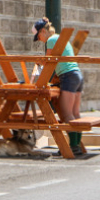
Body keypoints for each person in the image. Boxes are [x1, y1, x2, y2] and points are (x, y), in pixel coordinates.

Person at [32, 17, 84, 154]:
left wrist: (39, 61)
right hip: (76, 75)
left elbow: (50, 61)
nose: (40, 40)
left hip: (67, 76)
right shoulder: (59, 38)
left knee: (66, 114)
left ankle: (73, 147)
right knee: (75, 113)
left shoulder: (51, 40)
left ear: (43, 31)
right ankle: (76, 144)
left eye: (38, 37)